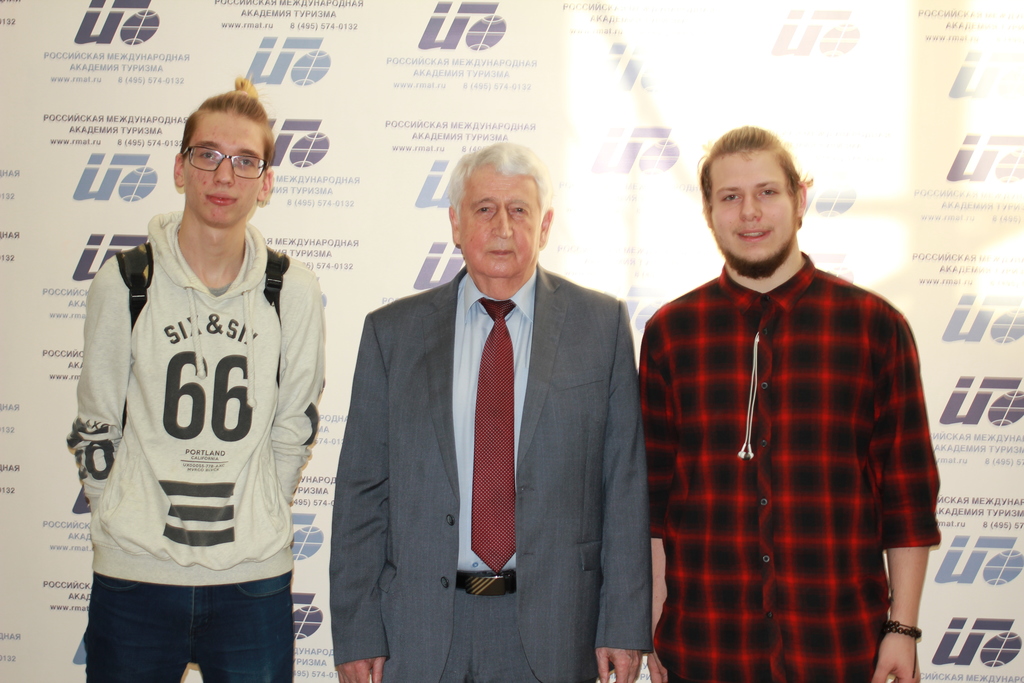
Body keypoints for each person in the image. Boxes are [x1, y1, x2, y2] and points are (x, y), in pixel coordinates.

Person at [329, 142, 651, 683]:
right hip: (421, 629)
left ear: (545, 226)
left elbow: (623, 485)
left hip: (556, 628)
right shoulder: (392, 334)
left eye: (519, 210)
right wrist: (358, 631)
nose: (502, 226)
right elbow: (362, 492)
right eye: (484, 209)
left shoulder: (600, 327)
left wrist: (622, 622)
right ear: (455, 223)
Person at [640, 126, 940, 683]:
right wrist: (655, 623)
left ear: (800, 199)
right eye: (730, 197)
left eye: (767, 192)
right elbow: (656, 501)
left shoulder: (874, 327)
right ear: (708, 212)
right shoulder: (671, 334)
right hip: (705, 649)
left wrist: (902, 629)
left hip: (840, 649)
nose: (749, 212)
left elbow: (908, 495)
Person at [67, 78, 326, 682]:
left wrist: (261, 511)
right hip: (134, 577)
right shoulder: (124, 281)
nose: (224, 175)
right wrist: (121, 515)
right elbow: (96, 420)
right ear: (180, 168)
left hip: (252, 581)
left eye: (245, 161)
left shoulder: (292, 290)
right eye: (208, 155)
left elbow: (294, 426)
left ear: (266, 183)